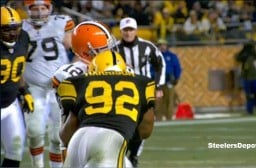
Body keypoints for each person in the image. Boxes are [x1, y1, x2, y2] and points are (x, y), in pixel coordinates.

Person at [57, 50, 155, 168]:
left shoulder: (82, 82)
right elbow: (145, 131)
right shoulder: (141, 83)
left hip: (77, 141)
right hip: (109, 139)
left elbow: (65, 136)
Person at [22, 0, 75, 167]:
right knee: (35, 131)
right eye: (35, 8)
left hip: (59, 87)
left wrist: (72, 70)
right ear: (28, 10)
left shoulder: (61, 22)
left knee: (57, 135)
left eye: (43, 8)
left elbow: (79, 51)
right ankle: (37, 165)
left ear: (49, 9)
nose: (39, 12)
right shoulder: (19, 27)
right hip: (33, 87)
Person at [116, 17, 166, 167]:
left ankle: (135, 156)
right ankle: (123, 154)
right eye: (125, 30)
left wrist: (158, 86)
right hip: (123, 93)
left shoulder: (147, 46)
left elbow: (160, 64)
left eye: (131, 29)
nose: (128, 33)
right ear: (121, 31)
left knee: (143, 127)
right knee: (124, 125)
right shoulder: (114, 49)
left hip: (144, 92)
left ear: (136, 31)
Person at [0, 6, 34, 167]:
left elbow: (17, 70)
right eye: (6, 29)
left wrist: (24, 90)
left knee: (15, 152)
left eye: (16, 28)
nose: (13, 33)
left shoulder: (24, 38)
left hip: (11, 104)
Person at [154, 38, 182, 121]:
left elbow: (177, 68)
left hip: (170, 82)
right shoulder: (155, 57)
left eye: (163, 45)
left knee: (170, 101)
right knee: (158, 101)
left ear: (166, 46)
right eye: (160, 45)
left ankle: (169, 119)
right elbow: (151, 69)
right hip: (158, 83)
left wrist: (176, 78)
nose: (162, 47)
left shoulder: (172, 56)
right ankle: (159, 119)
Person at [235, 42, 256, 114]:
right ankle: (250, 110)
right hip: (248, 78)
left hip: (255, 77)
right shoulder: (245, 56)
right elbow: (237, 58)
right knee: (250, 95)